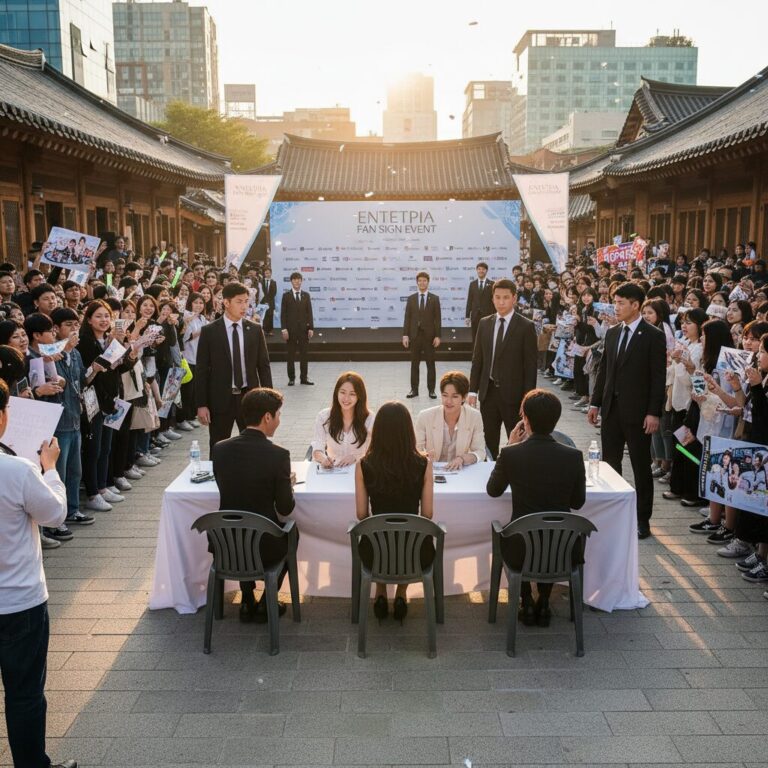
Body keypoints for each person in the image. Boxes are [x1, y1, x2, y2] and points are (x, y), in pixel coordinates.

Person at [0, 380, 78, 768]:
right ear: (2, 417)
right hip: (19, 599)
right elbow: (54, 515)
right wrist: (49, 470)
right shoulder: (17, 470)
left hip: (18, 599)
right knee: (25, 693)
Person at [487, 388, 586, 627]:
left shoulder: (512, 454)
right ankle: (543, 599)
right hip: (564, 549)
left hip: (521, 549)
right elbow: (577, 502)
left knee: (518, 531)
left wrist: (509, 446)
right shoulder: (573, 456)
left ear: (526, 420)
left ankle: (526, 600)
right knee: (549, 537)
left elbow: (493, 490)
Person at [587, 282, 666, 539]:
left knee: (641, 466)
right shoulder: (611, 333)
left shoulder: (653, 335)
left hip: (639, 413)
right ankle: (613, 514)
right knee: (610, 465)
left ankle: (642, 519)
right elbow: (604, 373)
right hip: (611, 410)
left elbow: (658, 378)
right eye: (615, 302)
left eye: (621, 303)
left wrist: (653, 412)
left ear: (636, 305)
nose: (616, 307)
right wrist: (595, 402)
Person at [212, 388, 296, 623]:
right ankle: (267, 598)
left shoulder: (220, 448)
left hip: (226, 542)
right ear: (267, 417)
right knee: (292, 532)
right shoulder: (278, 455)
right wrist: (287, 484)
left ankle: (247, 597)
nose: (279, 420)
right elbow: (285, 508)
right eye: (278, 415)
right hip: (264, 546)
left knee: (242, 528)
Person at [355, 401, 434, 622]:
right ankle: (401, 592)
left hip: (375, 554)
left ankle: (380, 591)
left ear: (377, 431)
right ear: (409, 431)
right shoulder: (423, 463)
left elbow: (361, 515)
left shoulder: (364, 464)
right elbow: (427, 514)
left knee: (379, 535)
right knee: (407, 536)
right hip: (416, 552)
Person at [196, 281, 272, 454]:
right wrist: (201, 404)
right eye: (239, 301)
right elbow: (201, 370)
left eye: (246, 301)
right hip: (221, 400)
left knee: (255, 448)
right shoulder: (210, 331)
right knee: (218, 447)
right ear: (226, 302)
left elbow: (264, 367)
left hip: (250, 398)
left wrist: (269, 401)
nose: (244, 306)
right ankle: (218, 480)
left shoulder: (254, 329)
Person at [468, 278, 537, 459]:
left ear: (514, 298)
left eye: (505, 297)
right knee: (487, 442)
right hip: (488, 393)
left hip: (514, 398)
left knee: (518, 442)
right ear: (492, 299)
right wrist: (472, 391)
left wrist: (528, 400)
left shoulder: (526, 326)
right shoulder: (484, 323)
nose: (501, 302)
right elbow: (478, 360)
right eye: (497, 297)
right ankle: (489, 479)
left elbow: (531, 367)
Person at [414, 370, 486, 470]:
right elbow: (415, 450)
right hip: (431, 471)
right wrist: (425, 457)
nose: (448, 401)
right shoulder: (425, 416)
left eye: (455, 396)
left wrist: (462, 459)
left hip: (460, 472)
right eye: (445, 395)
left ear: (464, 397)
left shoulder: (474, 416)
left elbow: (480, 452)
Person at [311, 371, 373, 467]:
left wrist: (356, 457)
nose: (346, 398)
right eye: (343, 392)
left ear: (359, 396)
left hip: (361, 471)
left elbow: (377, 451)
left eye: (352, 394)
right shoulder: (323, 417)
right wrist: (324, 459)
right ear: (337, 393)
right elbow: (317, 448)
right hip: (334, 471)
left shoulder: (370, 419)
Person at [403, 271, 441, 399]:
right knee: (414, 364)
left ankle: (432, 390)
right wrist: (405, 335)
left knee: (431, 364)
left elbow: (438, 319)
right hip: (414, 336)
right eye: (420, 281)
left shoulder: (435, 299)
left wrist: (438, 336)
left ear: (428, 282)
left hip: (429, 337)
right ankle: (414, 390)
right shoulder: (411, 298)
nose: (422, 283)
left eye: (424, 280)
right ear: (417, 282)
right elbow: (407, 318)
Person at [280, 272, 314, 385]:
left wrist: (311, 328)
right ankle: (291, 378)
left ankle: (304, 378)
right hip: (291, 331)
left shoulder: (306, 295)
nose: (297, 281)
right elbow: (283, 314)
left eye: (299, 279)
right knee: (291, 355)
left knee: (304, 355)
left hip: (304, 331)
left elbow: (309, 313)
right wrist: (284, 329)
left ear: (301, 281)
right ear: (291, 281)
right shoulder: (286, 296)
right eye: (294, 280)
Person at [465, 261, 495, 342]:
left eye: (483, 269)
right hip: (475, 315)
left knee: (487, 337)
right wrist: (467, 316)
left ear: (486, 271)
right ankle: (475, 354)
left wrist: (495, 315)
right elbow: (469, 300)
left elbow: (494, 301)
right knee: (475, 337)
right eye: (479, 269)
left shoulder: (492, 284)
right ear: (477, 270)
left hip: (488, 315)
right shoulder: (472, 284)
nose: (481, 271)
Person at [260, 267, 277, 335]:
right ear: (264, 274)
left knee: (270, 316)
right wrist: (265, 301)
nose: (267, 274)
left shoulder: (273, 282)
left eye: (269, 273)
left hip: (270, 302)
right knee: (263, 316)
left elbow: (274, 293)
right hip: (263, 302)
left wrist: (268, 301)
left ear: (271, 273)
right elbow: (261, 293)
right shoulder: (261, 282)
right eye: (266, 273)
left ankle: (269, 331)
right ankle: (263, 330)